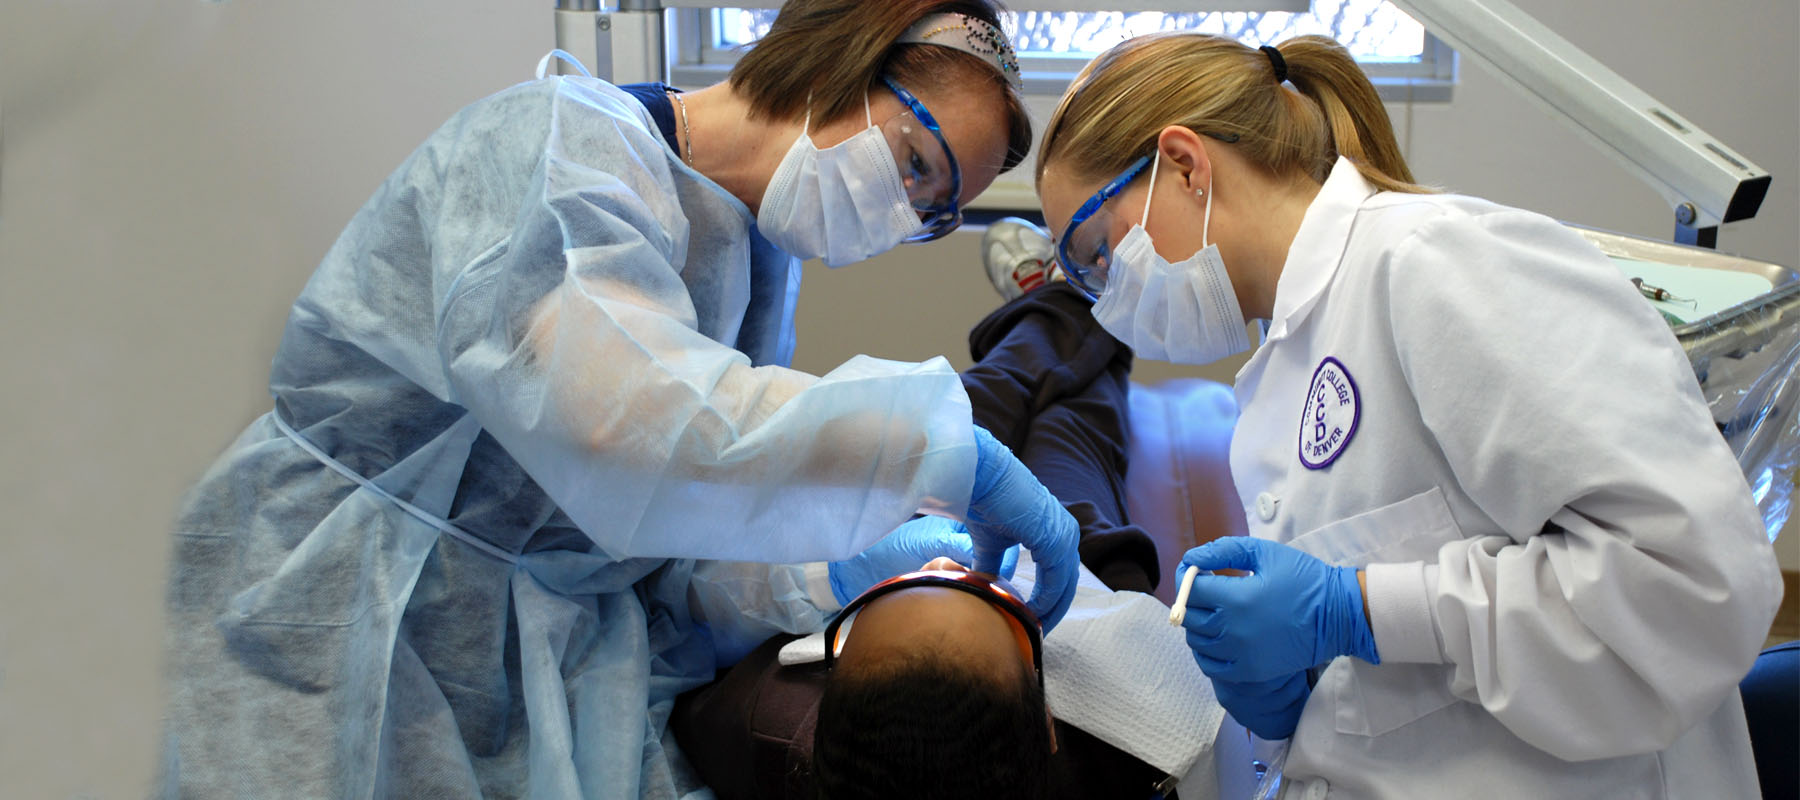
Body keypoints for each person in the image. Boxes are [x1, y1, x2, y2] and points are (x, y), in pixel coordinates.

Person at [156, 2, 1087, 797]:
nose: (902, 216)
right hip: (346, 612)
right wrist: (945, 453)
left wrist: (824, 573)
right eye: (917, 162)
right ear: (840, 59)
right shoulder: (551, 156)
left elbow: (659, 543)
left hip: (536, 664)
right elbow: (623, 427)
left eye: (932, 214)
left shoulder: (750, 273)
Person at [1033, 32, 1784, 797]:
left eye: (1099, 253)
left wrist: (1352, 609)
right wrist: (1298, 688)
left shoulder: (1437, 264)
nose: (1108, 297)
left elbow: (1692, 585)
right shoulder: (1281, 364)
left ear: (1185, 165)